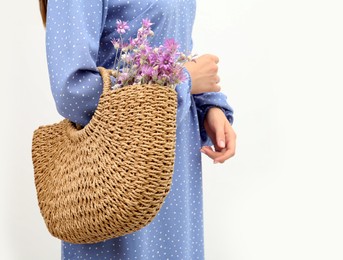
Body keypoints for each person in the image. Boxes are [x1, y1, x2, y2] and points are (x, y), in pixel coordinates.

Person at [39, 0, 236, 259]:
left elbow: (173, 51)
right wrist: (183, 80)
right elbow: (73, 92)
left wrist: (207, 106)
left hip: (174, 168)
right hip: (114, 172)